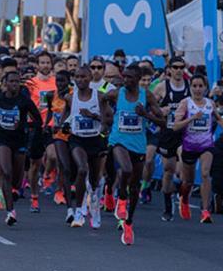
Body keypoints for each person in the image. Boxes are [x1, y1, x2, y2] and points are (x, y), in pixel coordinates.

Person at [105, 65, 165, 245]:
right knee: (125, 169)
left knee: (136, 187)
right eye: (125, 77)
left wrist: (146, 114)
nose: (126, 80)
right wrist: (104, 119)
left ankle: (129, 222)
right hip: (118, 140)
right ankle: (121, 199)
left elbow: (163, 122)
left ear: (139, 79)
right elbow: (101, 100)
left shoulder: (146, 95)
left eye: (131, 78)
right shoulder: (117, 93)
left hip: (138, 145)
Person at [0, 70, 41, 226]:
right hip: (3, 139)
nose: (14, 84)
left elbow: (38, 120)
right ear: (5, 83)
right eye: (11, 81)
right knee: (6, 172)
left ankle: (14, 192)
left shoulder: (24, 101)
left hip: (20, 141)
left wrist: (24, 125)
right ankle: (10, 212)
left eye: (17, 82)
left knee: (16, 180)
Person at [65, 66, 111, 229]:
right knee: (82, 169)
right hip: (77, 139)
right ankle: (78, 211)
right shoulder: (70, 98)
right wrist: (63, 126)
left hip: (95, 140)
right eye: (77, 77)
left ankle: (94, 207)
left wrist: (92, 116)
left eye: (84, 77)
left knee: (94, 180)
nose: (80, 80)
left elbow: (108, 120)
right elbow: (66, 117)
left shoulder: (99, 97)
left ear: (90, 78)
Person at [170, 74, 216, 222]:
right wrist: (191, 118)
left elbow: (218, 118)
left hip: (206, 145)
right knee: (188, 181)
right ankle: (184, 199)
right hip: (189, 146)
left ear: (205, 87)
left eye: (200, 86)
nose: (197, 89)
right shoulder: (185, 103)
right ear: (190, 87)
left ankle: (205, 210)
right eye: (194, 86)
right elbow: (175, 126)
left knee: (205, 174)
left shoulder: (210, 103)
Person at [152, 57, 191, 221]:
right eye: (175, 67)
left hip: (185, 133)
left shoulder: (190, 87)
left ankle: (183, 196)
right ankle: (168, 205)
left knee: (182, 171)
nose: (178, 70)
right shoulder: (162, 87)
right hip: (167, 133)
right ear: (169, 69)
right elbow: (150, 107)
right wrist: (161, 110)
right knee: (168, 170)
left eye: (181, 67)